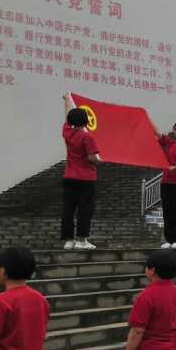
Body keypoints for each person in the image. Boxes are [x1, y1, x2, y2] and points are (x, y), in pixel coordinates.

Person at [59, 96, 101, 249]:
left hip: (69, 176)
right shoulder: (87, 137)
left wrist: (66, 100)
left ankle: (68, 240)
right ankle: (81, 240)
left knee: (68, 209)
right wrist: (100, 161)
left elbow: (67, 115)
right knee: (85, 210)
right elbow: (92, 158)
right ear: (86, 120)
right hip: (85, 178)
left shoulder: (67, 133)